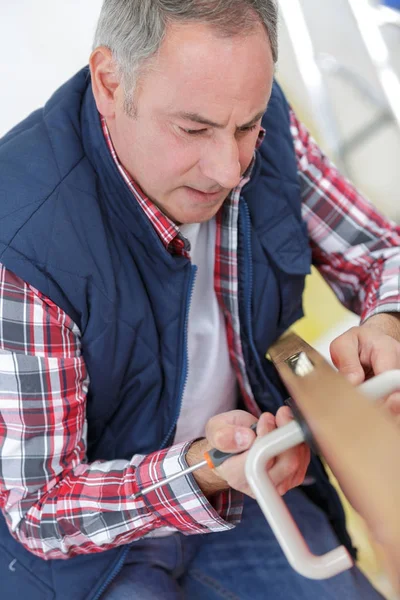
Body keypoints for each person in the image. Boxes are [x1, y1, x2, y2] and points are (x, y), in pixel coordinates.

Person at [0, 1, 399, 598]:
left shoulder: (257, 120)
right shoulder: (20, 237)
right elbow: (40, 507)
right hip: (88, 551)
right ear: (110, 82)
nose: (229, 168)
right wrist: (203, 470)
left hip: (247, 484)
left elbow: (379, 251)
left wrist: (387, 323)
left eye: (247, 128)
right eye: (193, 130)